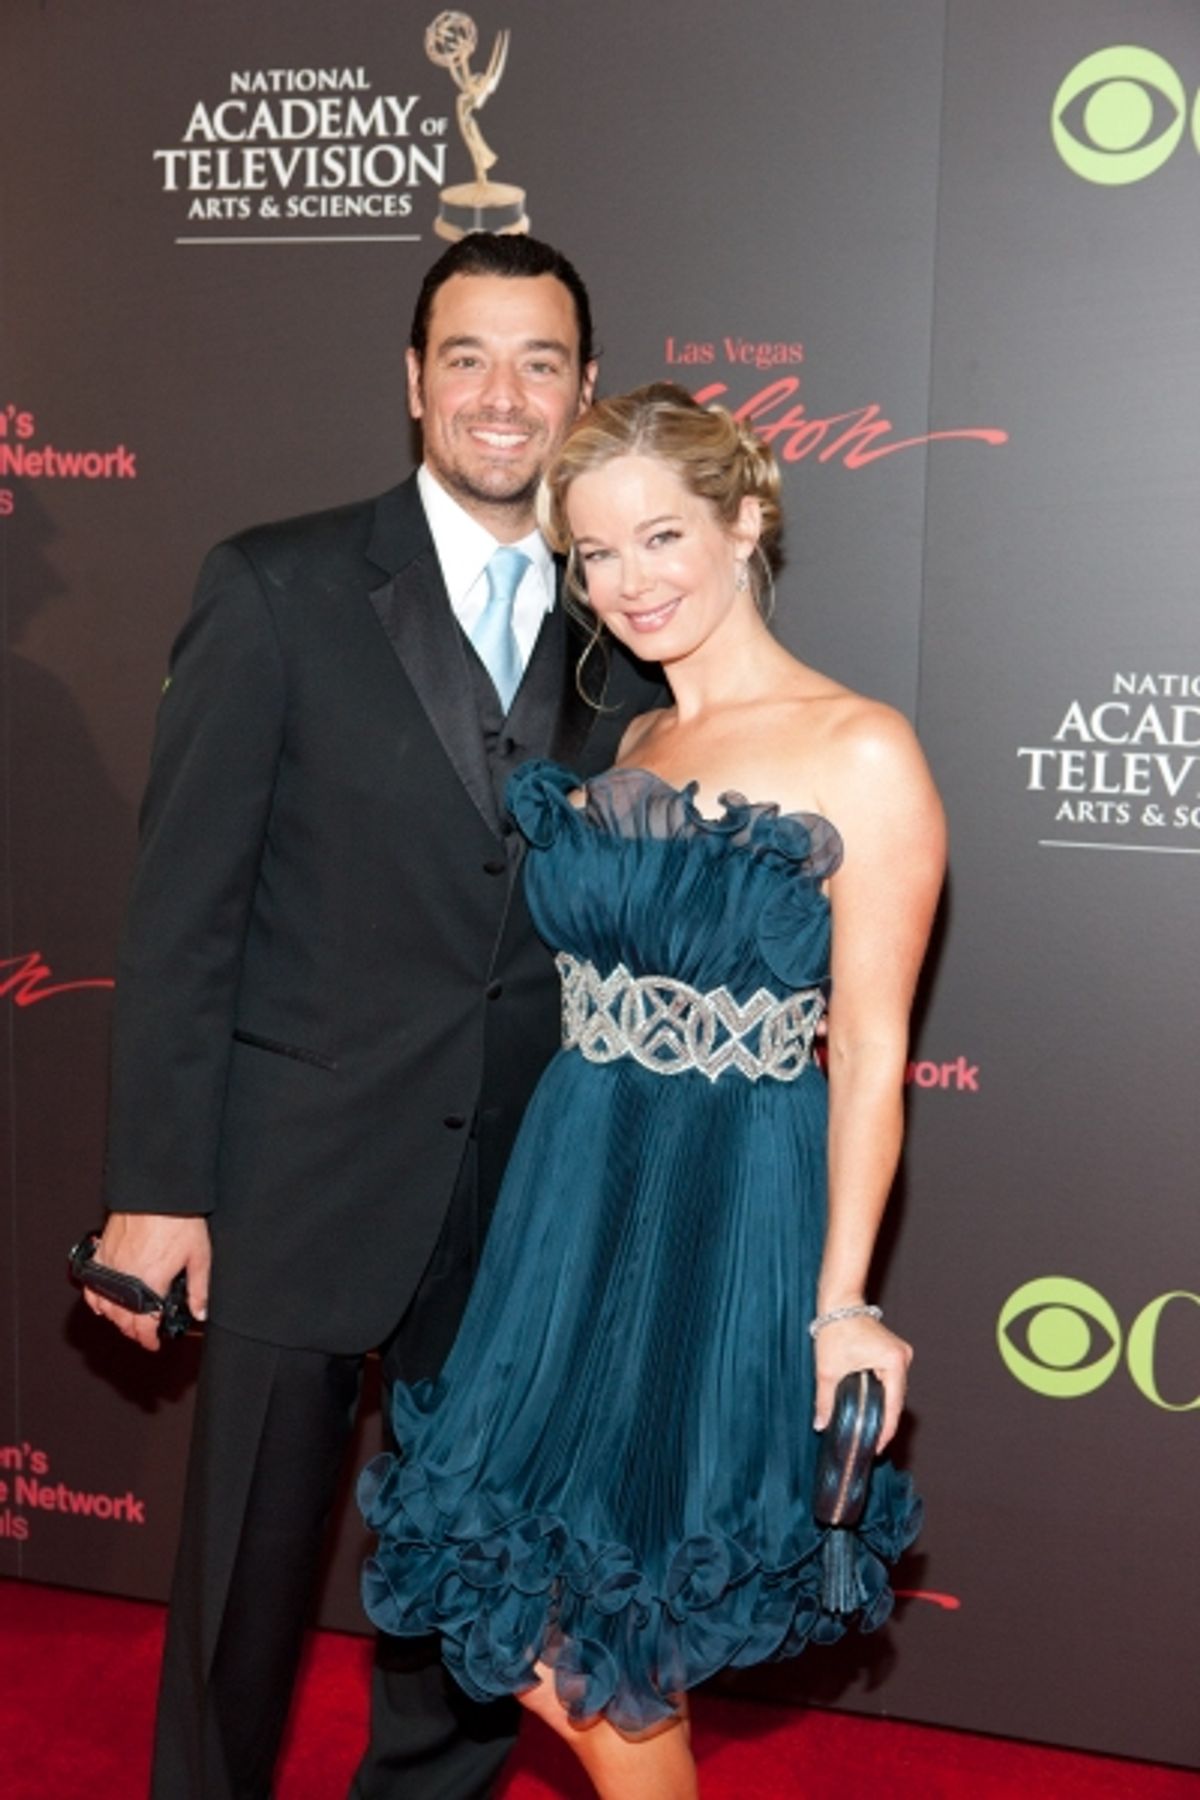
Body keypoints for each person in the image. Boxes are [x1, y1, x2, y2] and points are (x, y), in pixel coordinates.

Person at [83, 234, 663, 1800]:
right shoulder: (274, 582)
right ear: (412, 382)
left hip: (522, 1200)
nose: (503, 394)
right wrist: (156, 1190)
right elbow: (182, 915)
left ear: (584, 391)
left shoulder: (628, 629)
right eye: (467, 356)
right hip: (296, 1176)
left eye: (541, 362)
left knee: (468, 1593)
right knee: (239, 1604)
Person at [358, 382, 947, 1800]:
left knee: (613, 1639)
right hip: (574, 1200)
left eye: (663, 536)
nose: (631, 584)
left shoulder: (862, 749)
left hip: (721, 1201)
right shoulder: (626, 748)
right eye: (597, 554)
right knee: (551, 1627)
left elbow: (867, 1054)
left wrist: (844, 1304)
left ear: (746, 522)